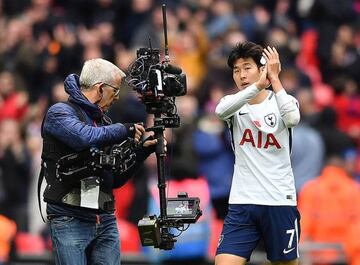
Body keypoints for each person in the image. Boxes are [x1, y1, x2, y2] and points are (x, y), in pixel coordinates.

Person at [40, 58, 158, 265]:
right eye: (115, 91)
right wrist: (124, 129)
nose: (117, 98)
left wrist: (142, 152)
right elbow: (84, 137)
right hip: (69, 218)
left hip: (104, 219)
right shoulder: (59, 113)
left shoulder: (104, 124)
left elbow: (114, 179)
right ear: (100, 88)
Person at [214, 41, 301, 265]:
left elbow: (292, 118)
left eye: (247, 67)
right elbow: (220, 111)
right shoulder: (231, 104)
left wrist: (274, 80)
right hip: (242, 202)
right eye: (236, 70)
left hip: (279, 200)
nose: (241, 75)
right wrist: (257, 86)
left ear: (262, 69)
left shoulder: (284, 101)